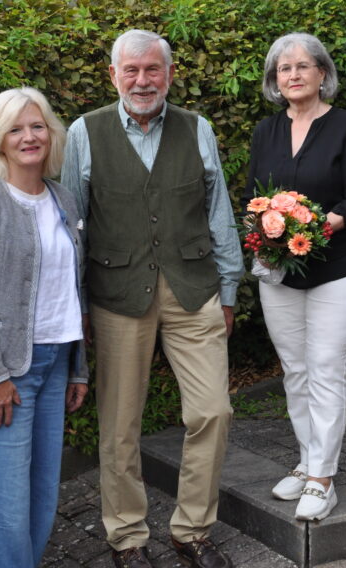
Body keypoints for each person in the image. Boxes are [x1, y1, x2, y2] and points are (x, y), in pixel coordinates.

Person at [61, 29, 243, 568]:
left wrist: (228, 290)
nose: (143, 81)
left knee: (213, 410)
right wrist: (77, 307)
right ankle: (127, 538)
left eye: (153, 70)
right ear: (113, 74)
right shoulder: (84, 132)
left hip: (194, 290)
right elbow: (73, 229)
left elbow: (220, 214)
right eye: (132, 70)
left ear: (169, 73)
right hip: (116, 295)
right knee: (119, 425)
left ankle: (192, 530)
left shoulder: (197, 128)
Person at [0, 87, 89, 568]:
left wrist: (78, 368)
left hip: (52, 365)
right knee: (0, 513)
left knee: (39, 500)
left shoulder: (63, 198)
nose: (29, 136)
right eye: (15, 128)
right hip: (1, 373)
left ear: (51, 134)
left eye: (37, 126)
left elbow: (71, 290)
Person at [242, 33, 346, 521]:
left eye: (302, 66)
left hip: (335, 268)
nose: (292, 75)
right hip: (279, 272)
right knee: (294, 370)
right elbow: (256, 198)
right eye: (283, 69)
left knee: (325, 369)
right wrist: (268, 233)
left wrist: (317, 227)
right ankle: (306, 460)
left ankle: (323, 478)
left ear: (322, 73)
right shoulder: (265, 132)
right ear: (276, 80)